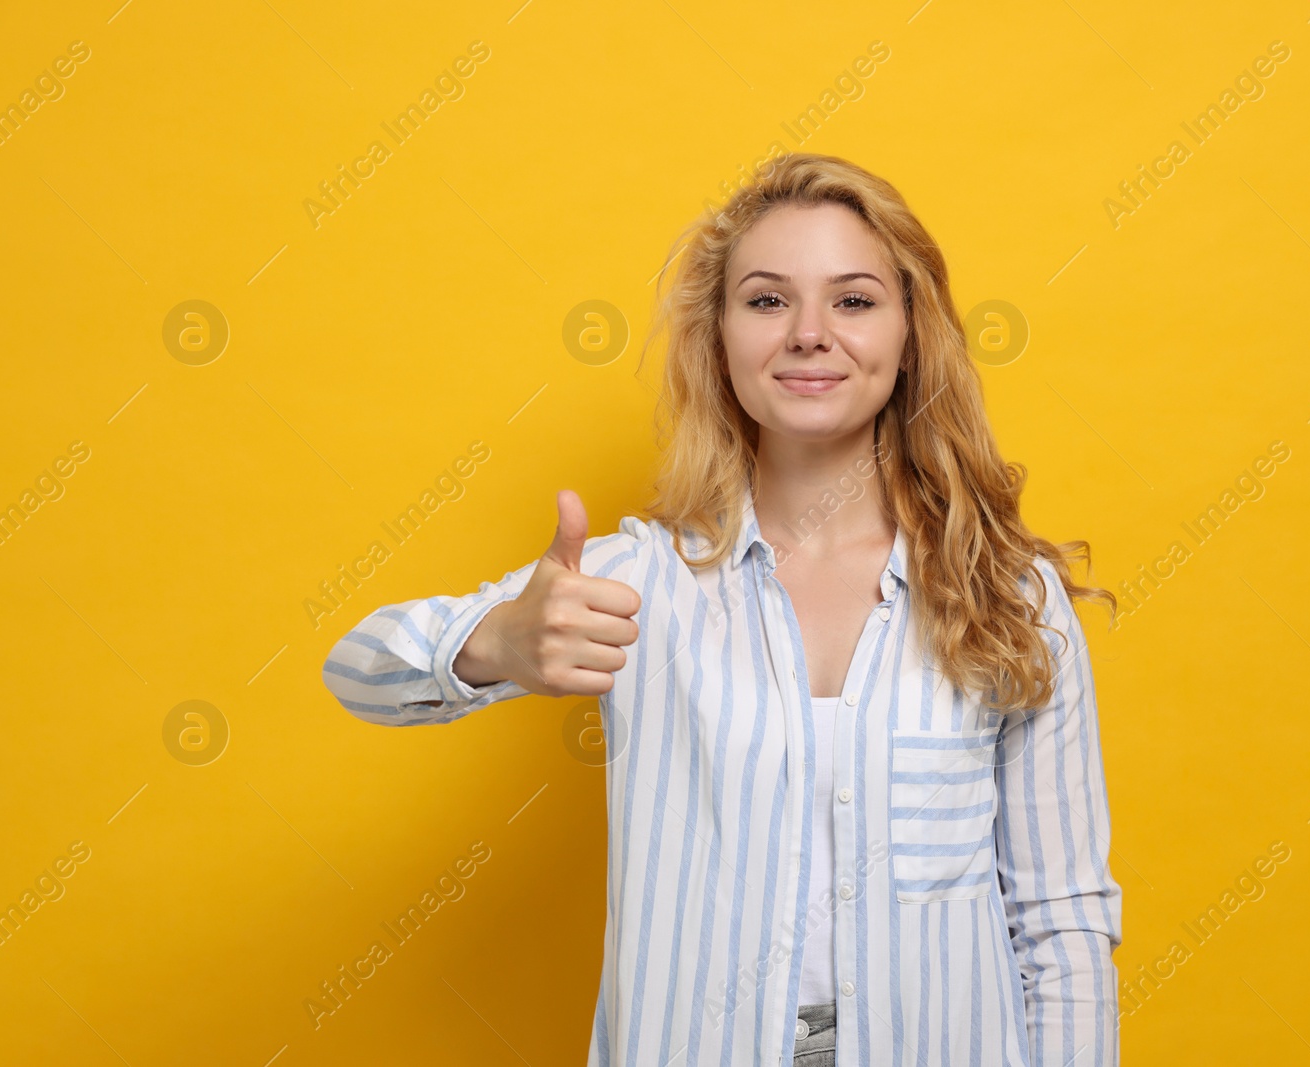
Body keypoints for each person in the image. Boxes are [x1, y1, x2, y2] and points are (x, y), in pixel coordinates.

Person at [322, 152, 1122, 1067]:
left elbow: (1062, 921)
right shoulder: (634, 584)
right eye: (768, 299)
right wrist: (494, 642)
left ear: (911, 335)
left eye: (854, 300)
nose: (810, 333)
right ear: (720, 336)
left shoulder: (1010, 595)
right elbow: (355, 667)